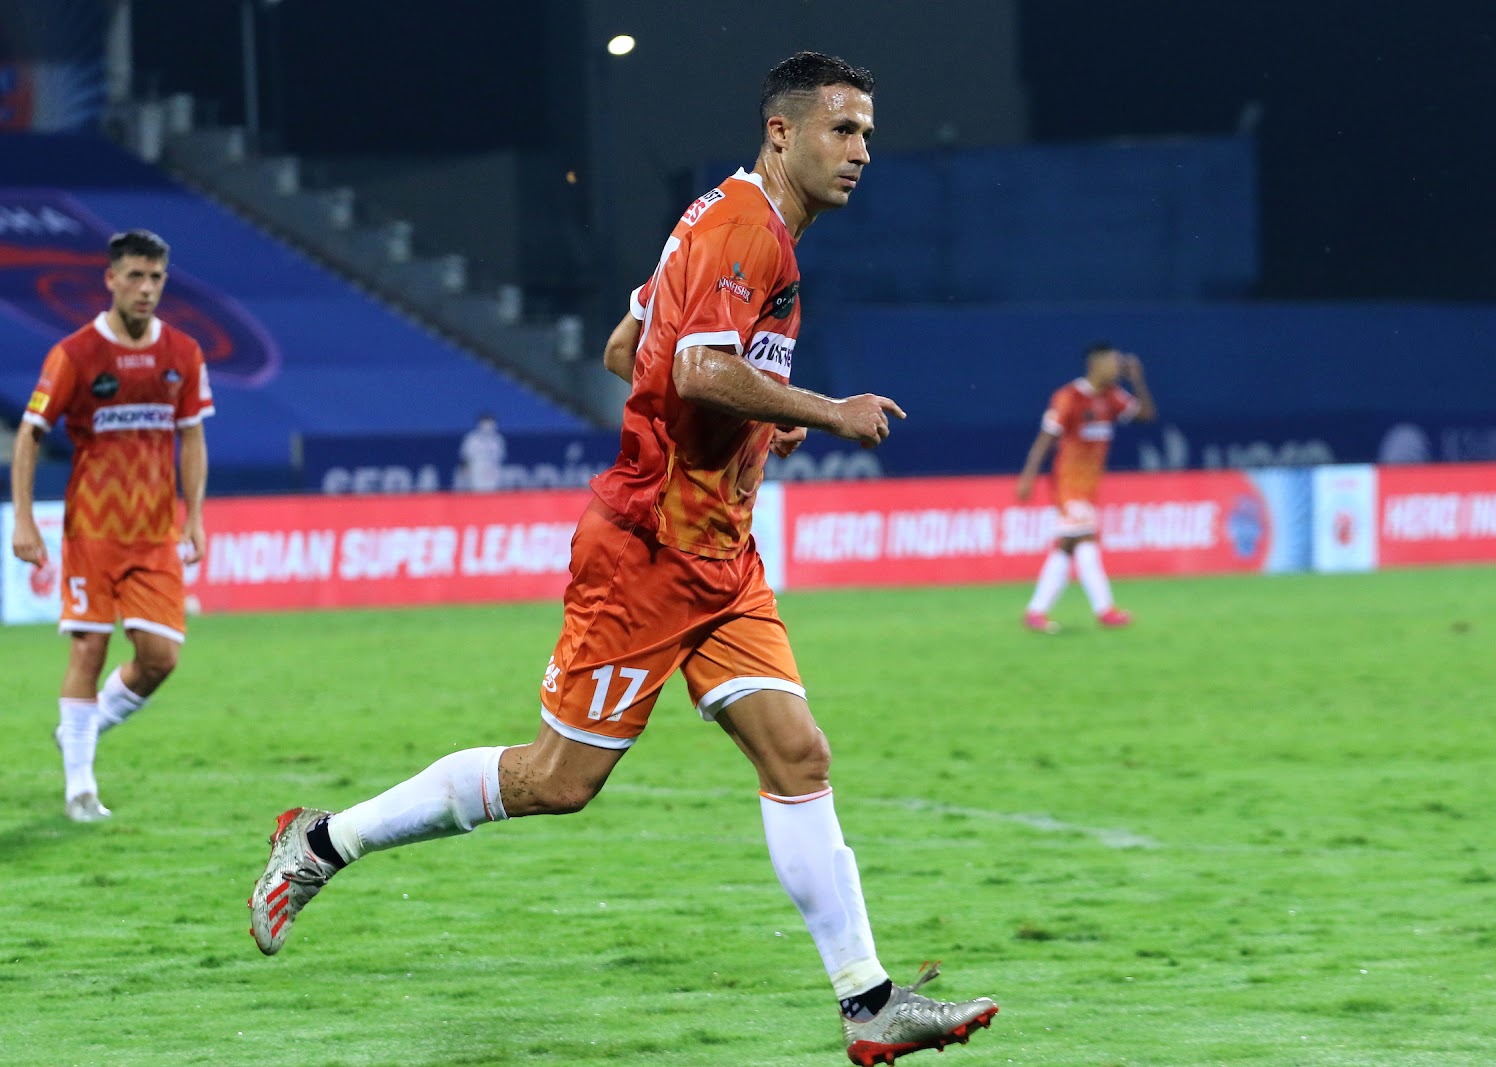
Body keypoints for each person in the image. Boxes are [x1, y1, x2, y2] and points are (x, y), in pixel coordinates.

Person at [248, 51, 997, 1066]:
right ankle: (321, 840)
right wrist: (825, 408)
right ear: (783, 131)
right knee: (559, 779)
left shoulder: (718, 218)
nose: (861, 150)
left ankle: (866, 1002)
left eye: (867, 131)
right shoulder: (745, 234)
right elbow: (692, 363)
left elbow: (627, 347)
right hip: (649, 552)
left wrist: (745, 428)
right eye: (842, 129)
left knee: (798, 754)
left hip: (719, 554)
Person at [10, 228, 213, 821]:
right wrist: (23, 519)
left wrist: (194, 515)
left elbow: (193, 435)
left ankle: (84, 727)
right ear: (111, 279)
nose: (146, 288)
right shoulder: (75, 354)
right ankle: (80, 789)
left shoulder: (183, 353)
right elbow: (29, 433)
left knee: (160, 658)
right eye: (135, 276)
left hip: (153, 534)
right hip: (92, 532)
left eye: (155, 278)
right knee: (89, 649)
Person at [1015, 342, 1156, 632]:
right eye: (1113, 362)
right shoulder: (1070, 397)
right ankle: (1105, 610)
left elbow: (1146, 416)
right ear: (1096, 364)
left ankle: (1035, 612)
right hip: (1068, 483)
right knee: (1087, 539)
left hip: (1089, 486)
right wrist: (1028, 477)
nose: (1118, 367)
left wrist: (1137, 379)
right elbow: (1045, 439)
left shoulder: (1112, 397)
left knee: (1066, 547)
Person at [455, 410, 505, 491]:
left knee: (493, 492)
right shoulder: (472, 438)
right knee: (478, 492)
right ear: (480, 423)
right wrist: (467, 472)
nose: (488, 425)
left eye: (490, 421)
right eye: (485, 422)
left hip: (492, 469)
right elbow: (466, 457)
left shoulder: (498, 439)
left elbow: (500, 458)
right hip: (477, 469)